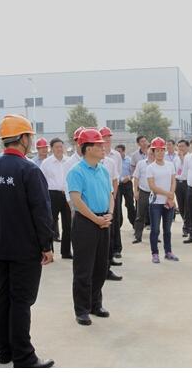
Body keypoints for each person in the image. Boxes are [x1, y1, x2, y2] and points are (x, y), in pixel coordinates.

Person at [0, 114, 55, 368]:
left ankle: (5, 350)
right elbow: (41, 212)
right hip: (25, 249)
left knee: (4, 296)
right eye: (29, 137)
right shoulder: (29, 170)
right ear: (23, 138)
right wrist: (46, 245)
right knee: (21, 301)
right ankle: (24, 356)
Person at [66, 128, 114, 326]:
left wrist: (110, 213)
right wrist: (95, 219)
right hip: (86, 222)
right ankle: (82, 310)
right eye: (99, 145)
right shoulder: (76, 171)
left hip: (104, 221)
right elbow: (76, 200)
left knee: (101, 266)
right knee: (84, 269)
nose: (103, 147)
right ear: (87, 148)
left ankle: (96, 304)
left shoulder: (103, 170)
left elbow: (110, 194)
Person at [146, 137, 179, 263]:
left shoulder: (170, 165)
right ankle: (155, 253)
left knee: (167, 230)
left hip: (168, 203)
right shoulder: (151, 167)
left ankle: (168, 252)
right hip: (156, 203)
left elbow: (173, 181)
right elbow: (152, 186)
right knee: (155, 229)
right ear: (153, 152)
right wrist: (168, 194)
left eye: (162, 150)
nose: (160, 153)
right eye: (157, 150)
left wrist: (170, 197)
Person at [41, 137, 72, 259]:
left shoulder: (69, 161)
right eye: (57, 147)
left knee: (68, 224)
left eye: (61, 146)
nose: (59, 149)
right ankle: (49, 251)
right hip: (52, 195)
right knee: (50, 223)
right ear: (52, 148)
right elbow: (42, 181)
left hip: (67, 195)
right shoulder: (46, 163)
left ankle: (66, 252)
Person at [99, 127, 122, 281]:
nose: (107, 141)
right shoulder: (89, 163)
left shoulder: (112, 160)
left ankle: (108, 261)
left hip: (110, 198)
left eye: (108, 138)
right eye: (104, 138)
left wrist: (112, 197)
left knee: (112, 228)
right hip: (97, 201)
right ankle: (102, 267)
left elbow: (115, 179)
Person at [133, 149, 155, 244]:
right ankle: (138, 236)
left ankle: (155, 236)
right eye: (150, 153)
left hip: (155, 193)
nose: (151, 155)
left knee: (155, 216)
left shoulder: (158, 165)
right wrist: (135, 191)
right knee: (140, 215)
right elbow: (136, 178)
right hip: (143, 192)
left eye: (153, 154)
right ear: (147, 153)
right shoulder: (141, 164)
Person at [174, 139, 192, 238]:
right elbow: (175, 171)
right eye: (179, 146)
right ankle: (187, 224)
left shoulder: (190, 157)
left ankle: (186, 227)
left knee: (187, 206)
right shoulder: (175, 158)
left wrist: (182, 159)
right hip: (178, 183)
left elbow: (186, 169)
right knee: (181, 206)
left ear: (187, 147)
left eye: (182, 146)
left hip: (187, 183)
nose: (180, 148)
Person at [116, 144, 137, 227]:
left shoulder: (129, 160)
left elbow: (133, 172)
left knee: (130, 204)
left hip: (127, 184)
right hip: (117, 184)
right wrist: (121, 179)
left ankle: (134, 223)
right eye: (116, 151)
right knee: (117, 205)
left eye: (119, 151)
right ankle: (118, 224)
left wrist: (129, 177)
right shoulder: (114, 160)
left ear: (124, 151)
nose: (118, 153)